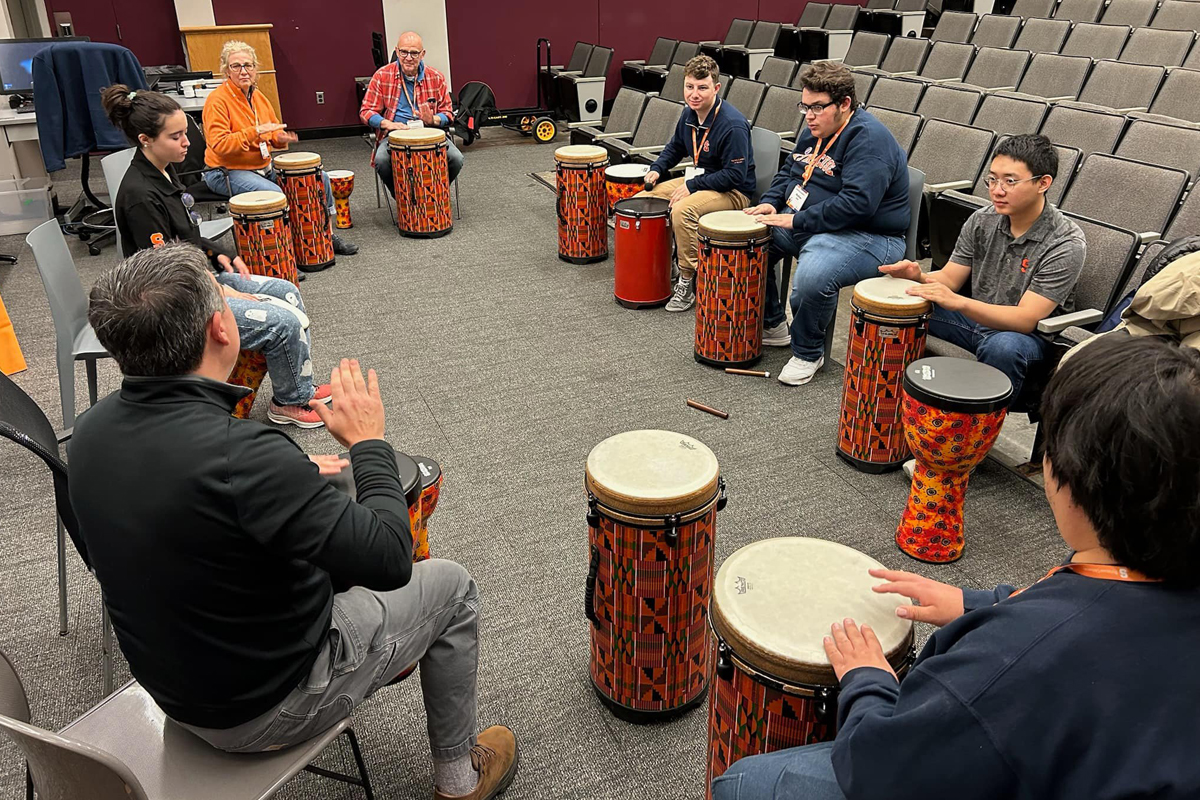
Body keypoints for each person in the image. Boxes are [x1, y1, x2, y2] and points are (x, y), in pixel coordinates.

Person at [70, 243, 520, 800]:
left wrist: (279, 484)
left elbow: (116, 550)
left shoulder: (88, 435)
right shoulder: (245, 456)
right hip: (262, 710)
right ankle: (459, 780)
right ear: (221, 329)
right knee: (453, 586)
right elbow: (390, 561)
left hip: (172, 691)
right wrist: (368, 443)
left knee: (326, 507)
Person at [712, 334, 1200, 800]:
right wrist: (980, 605)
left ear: (1066, 475)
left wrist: (868, 678)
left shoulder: (1009, 662)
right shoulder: (1156, 568)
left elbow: (881, 771)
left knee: (744, 784)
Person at [101, 83, 331, 428]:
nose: (187, 143)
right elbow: (170, 273)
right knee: (281, 322)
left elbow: (185, 235)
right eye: (175, 136)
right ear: (145, 139)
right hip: (171, 303)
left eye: (185, 133)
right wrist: (223, 292)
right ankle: (291, 402)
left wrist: (219, 253)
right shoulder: (140, 197)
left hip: (194, 279)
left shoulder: (163, 167)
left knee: (287, 291)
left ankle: (293, 389)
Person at [880, 133, 1086, 404]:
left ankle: (973, 431)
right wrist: (919, 276)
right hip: (976, 321)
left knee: (1003, 346)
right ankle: (891, 404)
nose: (997, 190)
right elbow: (950, 279)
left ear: (1042, 183)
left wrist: (959, 303)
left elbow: (1026, 319)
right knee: (900, 301)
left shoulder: (1065, 242)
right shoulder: (983, 220)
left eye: (1010, 181)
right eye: (993, 179)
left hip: (1028, 340)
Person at [746, 61, 909, 386]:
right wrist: (771, 202)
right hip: (812, 223)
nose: (808, 115)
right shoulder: (815, 130)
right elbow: (791, 173)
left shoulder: (869, 140)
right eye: (805, 106)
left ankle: (809, 352)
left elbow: (858, 205)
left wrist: (795, 220)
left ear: (845, 104)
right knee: (749, 243)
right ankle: (773, 324)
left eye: (817, 107)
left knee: (812, 276)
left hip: (870, 235)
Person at [201, 39, 357, 260]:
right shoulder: (217, 101)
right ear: (226, 70)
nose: (243, 71)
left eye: (248, 65)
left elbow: (271, 130)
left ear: (255, 69)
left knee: (317, 178)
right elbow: (220, 145)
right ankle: (285, 252)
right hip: (223, 171)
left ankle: (326, 236)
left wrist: (279, 137)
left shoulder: (258, 97)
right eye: (236, 66)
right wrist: (255, 132)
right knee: (274, 194)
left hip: (261, 166)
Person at [638, 54, 756, 312]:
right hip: (702, 180)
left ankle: (688, 279)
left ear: (716, 88)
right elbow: (675, 147)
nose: (694, 94)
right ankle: (664, 263)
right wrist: (657, 169)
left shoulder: (732, 124)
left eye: (702, 87)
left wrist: (692, 186)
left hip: (734, 191)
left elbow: (735, 175)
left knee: (683, 210)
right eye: (689, 86)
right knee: (645, 199)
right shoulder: (688, 114)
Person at [359, 31, 463, 197]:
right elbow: (366, 111)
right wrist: (387, 123)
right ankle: (404, 199)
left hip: (430, 135)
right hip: (394, 135)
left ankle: (434, 195)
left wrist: (434, 119)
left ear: (422, 54)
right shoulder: (382, 75)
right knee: (382, 161)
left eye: (414, 53)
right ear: (396, 51)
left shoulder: (436, 77)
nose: (408, 57)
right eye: (404, 52)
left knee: (456, 159)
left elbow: (449, 113)